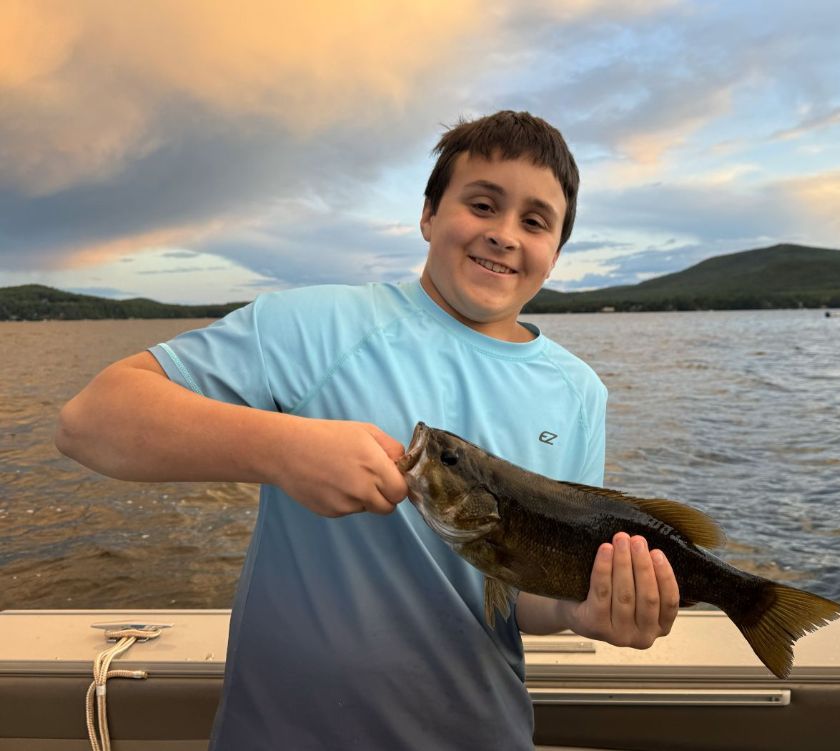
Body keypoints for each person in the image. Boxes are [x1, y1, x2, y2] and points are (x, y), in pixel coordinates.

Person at [56, 111, 680, 750]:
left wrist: (581, 608)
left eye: (534, 221)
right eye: (482, 204)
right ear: (429, 215)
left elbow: (521, 596)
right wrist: (283, 447)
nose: (503, 235)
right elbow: (89, 421)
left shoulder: (578, 392)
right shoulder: (315, 324)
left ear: (556, 251)